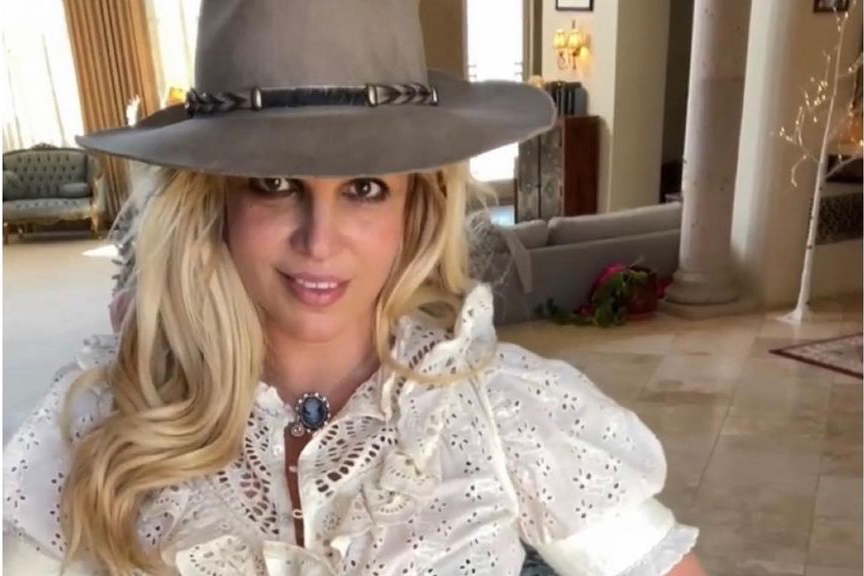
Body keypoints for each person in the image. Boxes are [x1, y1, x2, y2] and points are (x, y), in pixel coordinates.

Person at [3, 0, 706, 574]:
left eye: (364, 188)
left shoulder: (503, 414)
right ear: (214, 202)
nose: (319, 240)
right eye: (274, 183)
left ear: (415, 207)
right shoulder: (106, 420)